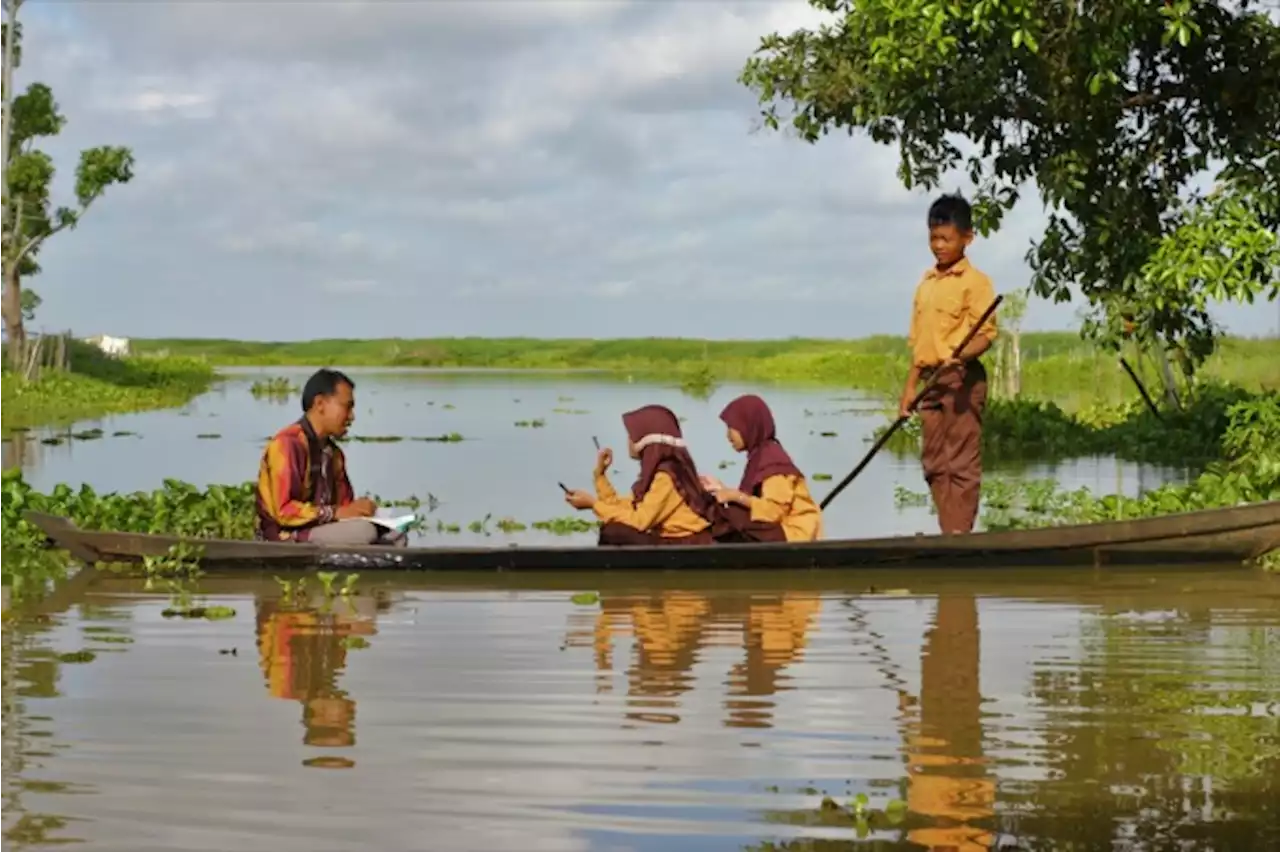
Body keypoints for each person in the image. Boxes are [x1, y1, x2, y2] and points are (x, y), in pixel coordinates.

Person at [899, 194, 998, 535]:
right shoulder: (925, 285)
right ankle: (950, 532)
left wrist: (963, 353)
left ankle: (959, 537)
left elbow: (985, 335)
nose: (938, 246)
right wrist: (909, 389)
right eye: (933, 238)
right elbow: (919, 345)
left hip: (961, 379)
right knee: (934, 464)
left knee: (960, 464)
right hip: (931, 382)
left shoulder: (976, 283)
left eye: (946, 239)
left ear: (967, 238)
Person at [255, 368, 406, 546]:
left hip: (320, 529)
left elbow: (345, 505)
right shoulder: (287, 444)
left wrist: (361, 509)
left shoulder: (334, 454)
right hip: (284, 535)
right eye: (347, 407)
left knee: (397, 534)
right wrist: (336, 513)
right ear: (320, 404)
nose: (352, 417)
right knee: (364, 532)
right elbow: (284, 511)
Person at [563, 404, 721, 546]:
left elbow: (639, 521)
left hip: (686, 543)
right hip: (672, 540)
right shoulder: (656, 473)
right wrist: (600, 476)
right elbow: (624, 508)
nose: (628, 441)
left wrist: (593, 504)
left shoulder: (667, 476)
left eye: (631, 435)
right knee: (613, 528)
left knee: (614, 532)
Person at [700, 393, 823, 543]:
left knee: (728, 516)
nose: (728, 436)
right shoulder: (759, 456)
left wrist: (735, 496)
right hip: (781, 531)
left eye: (732, 428)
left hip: (794, 535)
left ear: (748, 426)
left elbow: (774, 512)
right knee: (725, 512)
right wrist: (721, 489)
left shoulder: (772, 461)